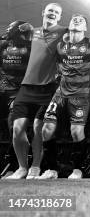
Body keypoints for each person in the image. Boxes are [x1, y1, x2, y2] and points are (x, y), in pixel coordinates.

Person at [8, 3, 66, 179]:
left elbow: (78, 38)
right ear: (43, 13)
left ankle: (35, 167)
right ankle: (21, 168)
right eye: (50, 11)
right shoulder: (33, 32)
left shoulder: (64, 31)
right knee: (17, 130)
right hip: (26, 87)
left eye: (56, 12)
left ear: (59, 17)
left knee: (38, 127)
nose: (52, 14)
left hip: (48, 88)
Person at [38, 14, 90, 179]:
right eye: (74, 19)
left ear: (85, 28)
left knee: (76, 131)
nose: (77, 20)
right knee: (47, 129)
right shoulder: (60, 46)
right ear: (69, 25)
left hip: (81, 95)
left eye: (82, 20)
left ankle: (78, 169)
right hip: (60, 93)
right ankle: (51, 170)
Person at [0, 21, 33, 178]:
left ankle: (16, 165)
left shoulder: (29, 46)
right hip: (5, 90)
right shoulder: (4, 45)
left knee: (14, 124)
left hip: (22, 91)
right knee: (11, 126)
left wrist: (31, 30)